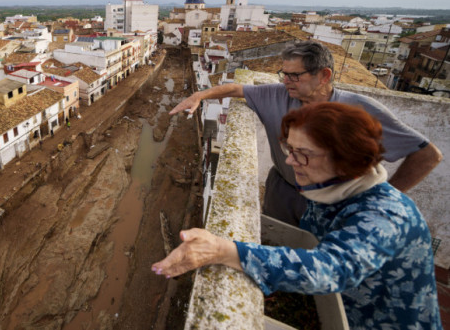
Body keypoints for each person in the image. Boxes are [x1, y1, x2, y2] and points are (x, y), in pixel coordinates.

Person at [152, 103, 442, 329]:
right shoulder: (328, 188)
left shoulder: (388, 216)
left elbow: (330, 269)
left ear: (346, 159)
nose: (290, 161)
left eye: (303, 153)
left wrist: (224, 250)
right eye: (289, 149)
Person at [170, 40, 442, 225]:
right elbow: (234, 89)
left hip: (336, 204)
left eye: (294, 76)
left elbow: (428, 155)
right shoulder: (276, 95)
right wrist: (199, 95)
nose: (285, 81)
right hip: (282, 193)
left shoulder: (359, 110)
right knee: (274, 241)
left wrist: (386, 197)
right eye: (283, 74)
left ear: (324, 75)